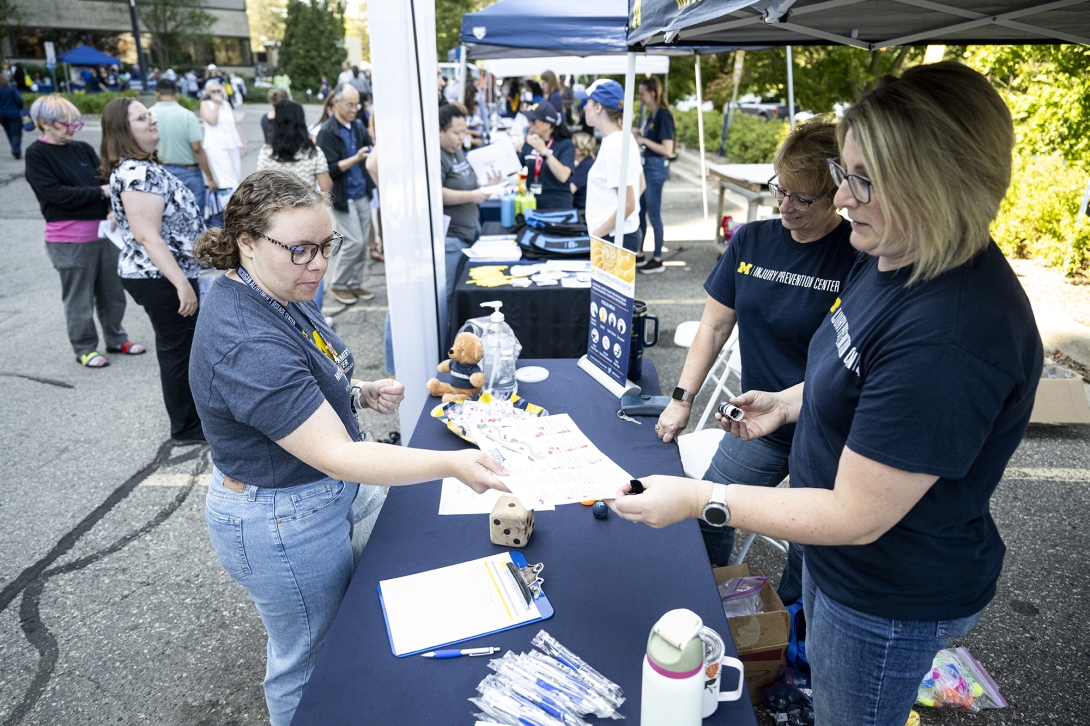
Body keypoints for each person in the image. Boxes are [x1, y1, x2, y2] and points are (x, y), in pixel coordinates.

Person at [614, 63, 1042, 726]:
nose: (842, 200)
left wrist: (701, 498)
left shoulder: (951, 334)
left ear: (941, 185)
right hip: (845, 568)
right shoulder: (898, 252)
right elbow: (857, 363)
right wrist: (792, 400)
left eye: (864, 181)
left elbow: (855, 515)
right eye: (845, 174)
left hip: (883, 592)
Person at [189, 169, 508, 726]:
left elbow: (304, 372)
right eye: (301, 249)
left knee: (367, 610)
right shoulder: (245, 338)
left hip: (321, 491)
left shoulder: (278, 285)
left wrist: (356, 390)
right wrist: (452, 463)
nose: (319, 263)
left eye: (326, 244)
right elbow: (337, 453)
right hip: (282, 516)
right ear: (246, 242)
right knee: (307, 662)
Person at [654, 116, 855, 604]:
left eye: (802, 198)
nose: (785, 205)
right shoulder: (751, 241)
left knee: (810, 549)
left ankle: (789, 632)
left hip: (828, 431)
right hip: (757, 420)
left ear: (837, 195)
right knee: (711, 509)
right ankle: (702, 598)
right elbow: (714, 326)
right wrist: (683, 398)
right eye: (779, 190)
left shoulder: (857, 256)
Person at [100, 96, 207, 443]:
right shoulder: (136, 172)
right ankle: (187, 427)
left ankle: (192, 420)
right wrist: (182, 284)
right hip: (160, 276)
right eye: (142, 117)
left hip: (163, 273)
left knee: (182, 348)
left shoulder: (141, 167)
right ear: (123, 130)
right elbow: (148, 235)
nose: (153, 120)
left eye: (151, 115)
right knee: (179, 351)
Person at [25, 95, 145, 368]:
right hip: (68, 238)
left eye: (75, 123)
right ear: (44, 123)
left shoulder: (82, 148)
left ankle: (116, 338)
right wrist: (99, 192)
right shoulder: (37, 154)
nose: (72, 128)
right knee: (79, 296)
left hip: (104, 233)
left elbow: (105, 178)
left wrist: (112, 206)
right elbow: (55, 194)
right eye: (65, 124)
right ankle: (84, 347)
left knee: (113, 292)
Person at [316, 82, 376, 305]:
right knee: (355, 242)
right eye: (349, 105)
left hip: (362, 192)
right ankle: (339, 283)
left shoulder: (358, 126)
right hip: (343, 195)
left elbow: (370, 148)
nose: (354, 110)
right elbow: (329, 169)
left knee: (362, 245)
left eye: (357, 105)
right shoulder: (327, 132)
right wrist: (356, 158)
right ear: (336, 103)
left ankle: (354, 283)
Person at [439, 103, 500, 305]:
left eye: (464, 132)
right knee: (448, 292)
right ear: (440, 132)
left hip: (469, 231)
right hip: (452, 237)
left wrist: (485, 185)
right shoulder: (437, 156)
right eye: (456, 132)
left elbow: (466, 182)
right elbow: (436, 194)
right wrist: (473, 195)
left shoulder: (456, 150)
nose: (461, 137)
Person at [578, 79, 644, 252]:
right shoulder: (624, 138)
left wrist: (597, 235)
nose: (584, 108)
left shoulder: (614, 146)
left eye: (587, 103)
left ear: (598, 107)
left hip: (613, 238)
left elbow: (628, 204)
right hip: (618, 235)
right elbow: (641, 185)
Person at [154, 78, 218, 212]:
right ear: (176, 94)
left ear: (157, 94)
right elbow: (196, 148)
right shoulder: (187, 116)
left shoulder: (149, 115)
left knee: (168, 216)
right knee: (195, 216)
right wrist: (210, 178)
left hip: (160, 171)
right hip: (189, 172)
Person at [633, 76, 675, 273]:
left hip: (655, 169)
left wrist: (642, 141)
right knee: (640, 212)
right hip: (646, 168)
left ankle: (657, 258)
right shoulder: (652, 114)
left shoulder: (663, 116)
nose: (639, 97)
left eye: (642, 94)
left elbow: (667, 149)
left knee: (653, 214)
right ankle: (639, 253)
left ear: (652, 94)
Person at [518, 101, 575, 210]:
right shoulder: (530, 142)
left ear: (548, 123)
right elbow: (517, 166)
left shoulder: (565, 144)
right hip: (532, 202)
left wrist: (544, 151)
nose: (530, 125)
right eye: (529, 120)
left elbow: (563, 176)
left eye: (534, 121)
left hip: (557, 204)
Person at [200, 79, 248, 195]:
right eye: (213, 91)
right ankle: (227, 204)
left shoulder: (226, 104)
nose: (216, 93)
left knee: (235, 176)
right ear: (208, 93)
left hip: (231, 143)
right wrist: (216, 105)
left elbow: (235, 123)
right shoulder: (205, 104)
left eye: (218, 91)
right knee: (225, 179)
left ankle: (236, 203)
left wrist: (243, 141)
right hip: (216, 145)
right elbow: (211, 121)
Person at [569, 132, 596, 212]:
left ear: (579, 149)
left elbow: (571, 189)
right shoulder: (586, 163)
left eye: (571, 146)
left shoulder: (586, 165)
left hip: (582, 210)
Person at [0, 74, 25, 159]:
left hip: (2, 114)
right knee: (16, 133)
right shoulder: (12, 89)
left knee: (8, 132)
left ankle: (14, 148)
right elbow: (19, 100)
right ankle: (16, 150)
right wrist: (21, 108)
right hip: (14, 113)